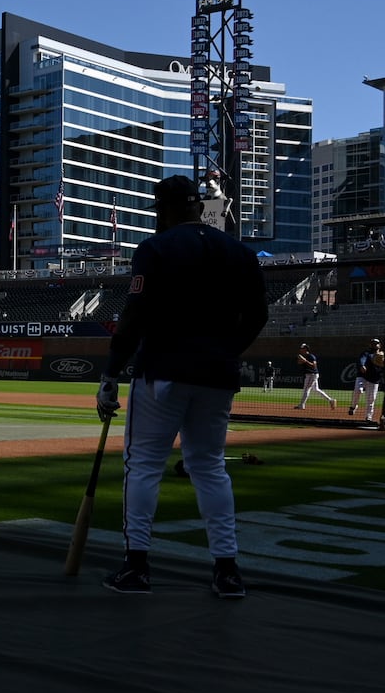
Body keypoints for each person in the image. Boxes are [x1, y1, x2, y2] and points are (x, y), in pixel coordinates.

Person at [96, 175, 267, 599]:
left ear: (164, 208)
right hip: (218, 375)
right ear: (197, 207)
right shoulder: (239, 251)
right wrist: (228, 351)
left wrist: (110, 374)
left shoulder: (155, 248)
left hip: (163, 371)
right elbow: (259, 315)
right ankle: (227, 571)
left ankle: (136, 567)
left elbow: (133, 318)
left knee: (145, 465)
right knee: (210, 468)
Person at [345, 338, 383, 422]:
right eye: (372, 343)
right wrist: (362, 365)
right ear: (370, 345)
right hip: (363, 376)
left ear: (379, 345)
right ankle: (353, 406)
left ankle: (368, 417)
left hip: (374, 379)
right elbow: (362, 359)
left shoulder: (382, 356)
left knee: (371, 399)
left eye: (376, 343)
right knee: (358, 390)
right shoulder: (366, 353)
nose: (374, 345)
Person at [295, 343, 334, 410]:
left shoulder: (311, 356)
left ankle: (302, 405)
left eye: (302, 348)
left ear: (305, 349)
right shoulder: (303, 356)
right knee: (316, 389)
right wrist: (301, 359)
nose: (301, 349)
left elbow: (314, 366)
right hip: (309, 375)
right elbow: (299, 363)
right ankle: (331, 400)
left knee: (307, 389)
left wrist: (305, 361)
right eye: (301, 348)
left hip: (312, 375)